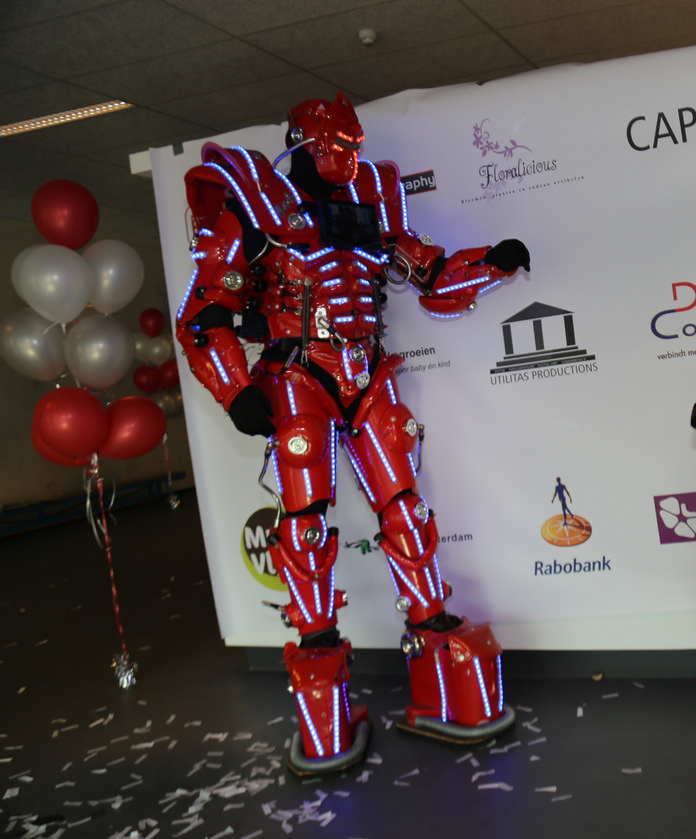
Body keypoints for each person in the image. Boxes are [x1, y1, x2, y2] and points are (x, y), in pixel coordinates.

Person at [175, 93, 528, 774]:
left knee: (405, 508)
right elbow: (204, 313)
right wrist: (235, 389)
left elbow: (429, 273)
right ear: (303, 141)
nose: (346, 156)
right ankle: (318, 662)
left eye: (353, 145)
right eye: (336, 144)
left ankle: (433, 633)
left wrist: (492, 262)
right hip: (296, 375)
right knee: (304, 523)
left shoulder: (373, 202)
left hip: (368, 373)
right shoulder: (254, 198)